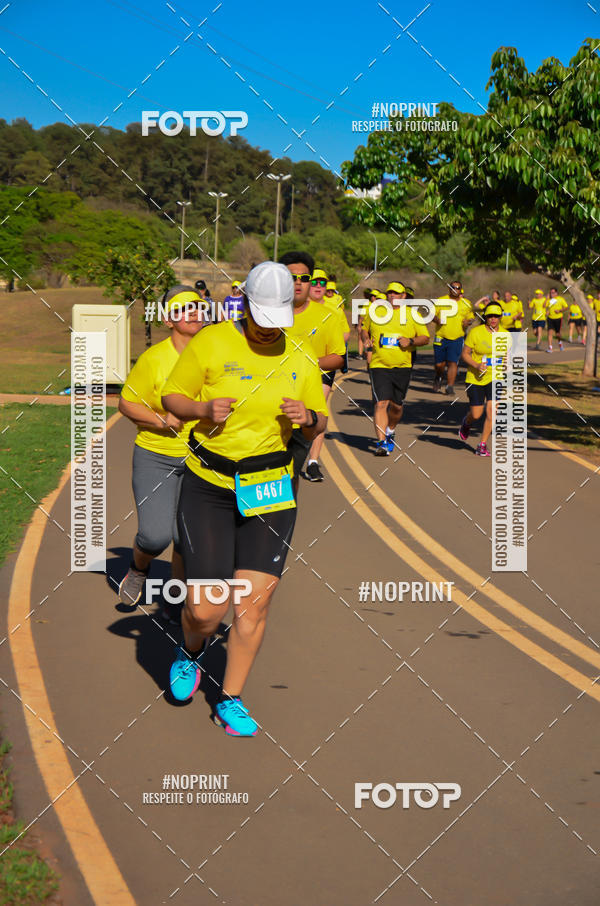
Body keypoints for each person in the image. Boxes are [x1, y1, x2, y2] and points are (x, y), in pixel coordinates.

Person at [161, 262, 328, 736]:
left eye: (277, 319)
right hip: (210, 484)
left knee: (252, 606)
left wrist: (308, 417)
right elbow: (173, 397)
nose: (268, 329)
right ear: (245, 306)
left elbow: (321, 420)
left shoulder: (299, 353)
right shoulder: (212, 341)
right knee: (205, 609)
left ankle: (230, 698)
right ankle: (191, 651)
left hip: (270, 487)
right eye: (261, 317)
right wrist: (200, 408)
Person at [117, 285, 204, 615]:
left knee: (185, 538)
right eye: (183, 308)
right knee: (155, 536)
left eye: (197, 306)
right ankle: (138, 568)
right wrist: (161, 420)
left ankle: (175, 600)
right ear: (169, 320)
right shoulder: (154, 359)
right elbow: (127, 403)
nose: (193, 312)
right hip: (157, 456)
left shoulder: (216, 355)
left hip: (202, 459)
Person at [278, 253, 345, 483]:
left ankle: (312, 462)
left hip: (304, 409)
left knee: (291, 475)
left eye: (304, 278)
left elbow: (338, 358)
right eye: (291, 277)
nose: (298, 282)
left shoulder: (327, 316)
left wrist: (308, 364)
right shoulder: (264, 315)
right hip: (268, 411)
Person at [361, 281, 429, 455]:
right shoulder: (376, 311)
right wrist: (366, 339)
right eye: (390, 292)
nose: (392, 296)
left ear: (403, 296)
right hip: (379, 365)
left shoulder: (412, 314)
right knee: (381, 403)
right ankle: (381, 443)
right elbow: (364, 329)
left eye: (396, 293)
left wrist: (410, 341)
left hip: (402, 366)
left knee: (397, 406)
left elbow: (425, 338)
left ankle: (390, 430)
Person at [459, 301, 511, 456]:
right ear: (485, 317)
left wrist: (508, 363)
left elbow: (507, 356)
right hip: (475, 378)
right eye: (490, 316)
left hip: (496, 377)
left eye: (496, 316)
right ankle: (466, 422)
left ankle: (482, 445)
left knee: (492, 411)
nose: (493, 319)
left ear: (500, 317)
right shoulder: (476, 332)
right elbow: (464, 354)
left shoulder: (506, 335)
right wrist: (476, 365)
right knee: (476, 414)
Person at [432, 280, 474, 395]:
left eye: (458, 288)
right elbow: (432, 314)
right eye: (453, 287)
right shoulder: (441, 300)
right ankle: (438, 376)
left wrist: (468, 322)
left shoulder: (466, 303)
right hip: (441, 336)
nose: (455, 289)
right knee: (439, 364)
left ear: (461, 290)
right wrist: (437, 320)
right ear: (449, 289)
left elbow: (471, 317)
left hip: (457, 338)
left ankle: (449, 386)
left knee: (453, 362)